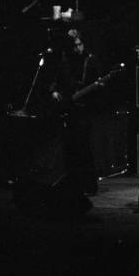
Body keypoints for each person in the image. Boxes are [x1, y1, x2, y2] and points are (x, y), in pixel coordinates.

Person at [48, 28, 100, 194]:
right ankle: (73, 185)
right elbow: (55, 80)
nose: (78, 48)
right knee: (69, 147)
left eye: (80, 44)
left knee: (84, 147)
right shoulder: (65, 60)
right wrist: (54, 91)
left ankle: (89, 185)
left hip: (84, 109)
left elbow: (96, 85)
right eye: (75, 46)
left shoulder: (90, 60)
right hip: (68, 108)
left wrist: (94, 90)